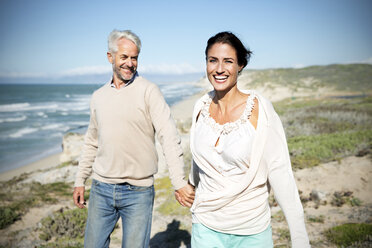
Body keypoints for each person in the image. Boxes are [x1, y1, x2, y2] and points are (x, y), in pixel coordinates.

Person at [184, 31, 310, 247]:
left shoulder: (259, 110)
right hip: (205, 225)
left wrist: (300, 240)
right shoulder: (200, 106)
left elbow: (281, 172)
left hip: (251, 230)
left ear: (240, 65)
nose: (219, 69)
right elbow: (201, 156)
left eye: (228, 61)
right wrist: (189, 183)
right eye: (213, 60)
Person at [73, 29, 194, 248]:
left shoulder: (149, 91)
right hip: (101, 187)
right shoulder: (98, 96)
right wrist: (80, 180)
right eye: (124, 57)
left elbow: (169, 137)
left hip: (138, 192)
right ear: (110, 57)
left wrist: (178, 182)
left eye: (134, 58)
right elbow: (91, 140)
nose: (130, 63)